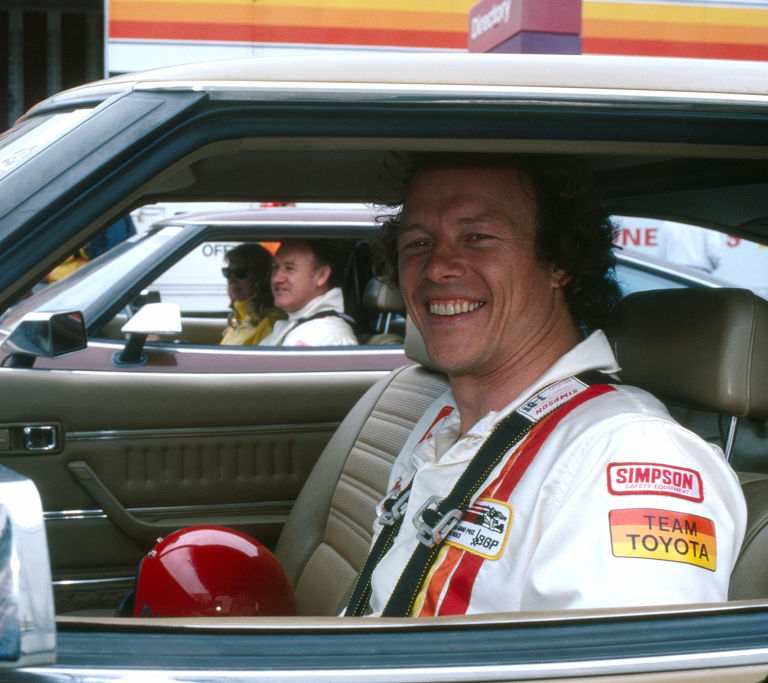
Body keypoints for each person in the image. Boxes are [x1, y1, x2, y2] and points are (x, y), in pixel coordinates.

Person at [345, 153, 745, 618]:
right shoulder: (444, 421)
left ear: (560, 261)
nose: (437, 268)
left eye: (478, 237)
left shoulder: (630, 454)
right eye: (417, 242)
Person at [258, 239, 358, 347]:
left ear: (321, 275)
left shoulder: (325, 336)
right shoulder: (299, 324)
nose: (276, 278)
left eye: (289, 268)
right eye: (275, 267)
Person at [219, 243, 285, 346]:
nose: (231, 279)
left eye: (240, 272)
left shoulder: (269, 325)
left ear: (261, 277)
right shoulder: (240, 319)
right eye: (228, 272)